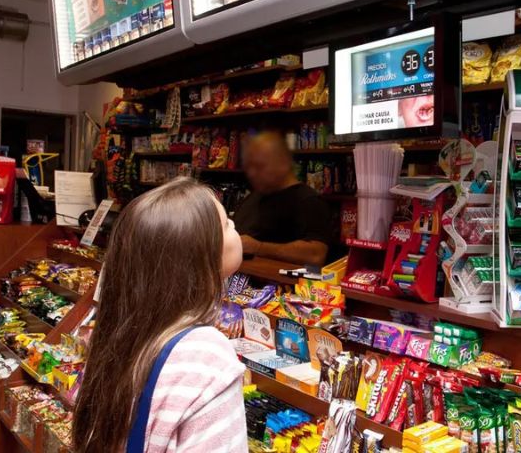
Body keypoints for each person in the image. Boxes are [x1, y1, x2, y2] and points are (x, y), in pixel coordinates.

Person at [73, 178, 247, 453]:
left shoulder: (118, 333)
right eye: (226, 224)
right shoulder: (205, 352)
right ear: (198, 255)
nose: (236, 226)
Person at [234, 132, 331, 266]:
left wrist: (259, 248)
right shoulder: (253, 196)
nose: (252, 173)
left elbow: (316, 255)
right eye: (249, 166)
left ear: (283, 162)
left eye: (260, 166)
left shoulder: (308, 201)